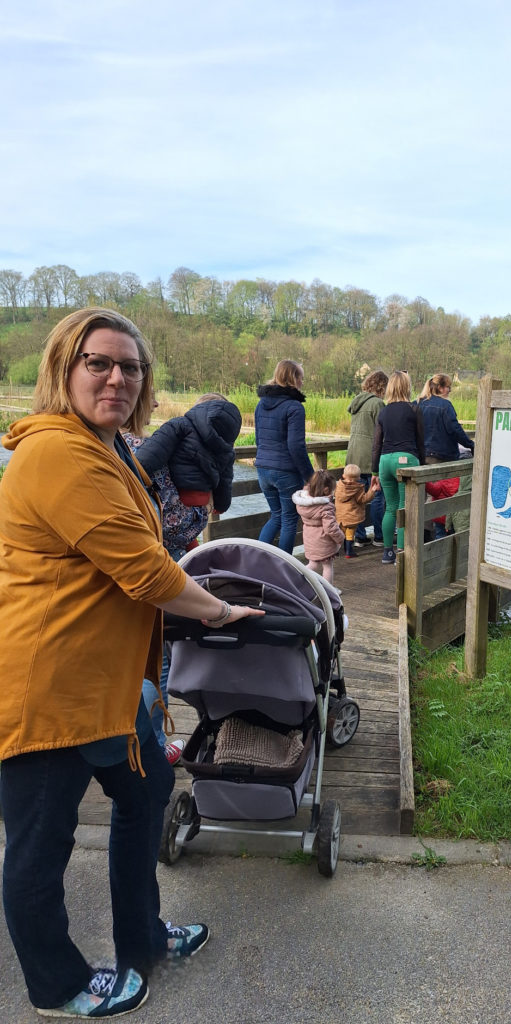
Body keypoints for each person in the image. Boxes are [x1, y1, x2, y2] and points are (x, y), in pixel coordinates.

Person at [0, 307, 263, 1019]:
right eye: (99, 362)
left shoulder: (110, 446)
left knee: (148, 793)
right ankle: (56, 986)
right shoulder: (57, 453)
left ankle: (142, 936)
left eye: (131, 367)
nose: (117, 377)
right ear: (64, 368)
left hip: (110, 686)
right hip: (50, 688)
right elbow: (145, 570)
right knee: (39, 846)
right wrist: (220, 611)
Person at [124, 394, 210, 766]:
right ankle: (152, 749)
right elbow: (173, 524)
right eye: (151, 398)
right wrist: (203, 513)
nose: (157, 405)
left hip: (110, 573)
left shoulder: (96, 448)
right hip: (151, 566)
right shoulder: (147, 451)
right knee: (153, 662)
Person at [133, 392, 241, 517]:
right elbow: (225, 482)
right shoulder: (227, 446)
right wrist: (221, 506)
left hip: (175, 496)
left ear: (198, 408)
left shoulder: (181, 424)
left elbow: (150, 455)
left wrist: (131, 472)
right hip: (202, 500)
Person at [254, 359, 314, 553]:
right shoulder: (294, 407)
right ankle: (284, 566)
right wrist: (310, 477)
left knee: (276, 516)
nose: (302, 382)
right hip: (286, 471)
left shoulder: (261, 404)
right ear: (292, 378)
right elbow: (296, 446)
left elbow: (258, 439)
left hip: (263, 469)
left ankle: (257, 560)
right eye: (301, 378)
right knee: (289, 519)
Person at [371, 370, 425, 565]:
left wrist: (374, 471)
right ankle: (402, 552)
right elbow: (420, 441)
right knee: (405, 507)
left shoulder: (384, 411)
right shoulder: (414, 409)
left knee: (391, 508)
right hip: (406, 459)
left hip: (385, 461)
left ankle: (388, 553)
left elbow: (376, 444)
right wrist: (423, 466)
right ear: (407, 387)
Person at [346, 370, 388, 547]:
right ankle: (379, 536)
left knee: (357, 498)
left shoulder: (356, 402)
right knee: (377, 496)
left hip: (353, 456)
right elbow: (383, 431)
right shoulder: (377, 404)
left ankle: (360, 537)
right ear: (382, 386)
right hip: (370, 456)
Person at [292, 469, 344, 583]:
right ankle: (328, 590)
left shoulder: (303, 503)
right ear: (326, 490)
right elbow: (330, 528)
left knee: (313, 564)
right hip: (324, 541)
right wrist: (341, 537)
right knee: (327, 566)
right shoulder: (325, 507)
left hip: (310, 538)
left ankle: (296, 580)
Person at [416, 373, 475, 464]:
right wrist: (471, 445)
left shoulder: (416, 403)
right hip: (441, 456)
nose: (450, 390)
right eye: (448, 387)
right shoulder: (445, 406)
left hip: (419, 455)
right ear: (440, 388)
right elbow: (455, 430)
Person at [334, 463, 380, 558]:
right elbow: (363, 500)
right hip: (352, 516)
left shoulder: (338, 486)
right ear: (359, 477)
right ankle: (348, 551)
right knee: (350, 534)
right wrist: (372, 490)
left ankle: (335, 551)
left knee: (341, 533)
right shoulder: (357, 488)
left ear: (343, 475)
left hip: (340, 516)